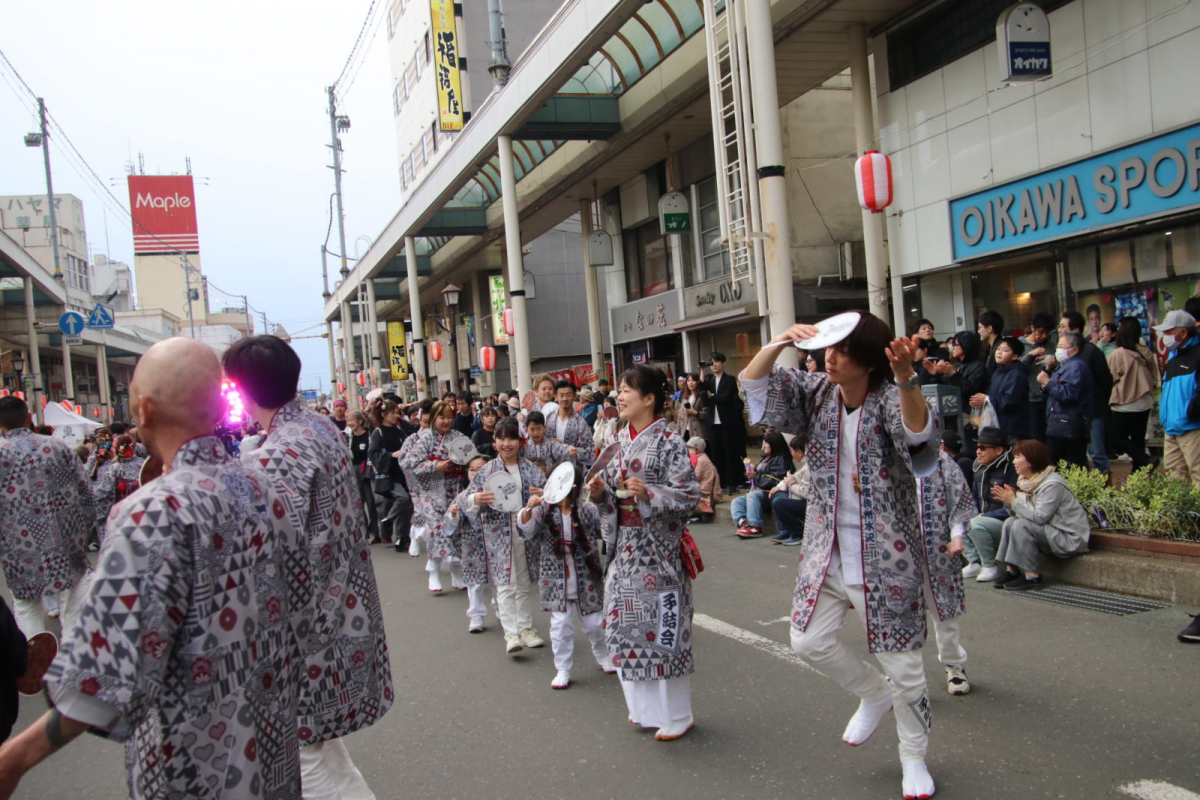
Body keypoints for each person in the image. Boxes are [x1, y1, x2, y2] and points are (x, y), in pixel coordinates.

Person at [1, 338, 312, 799]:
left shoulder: (151, 513)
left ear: (143, 409)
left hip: (193, 763)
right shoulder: (269, 490)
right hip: (273, 750)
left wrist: (16, 757)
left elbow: (103, 672)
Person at [740, 311, 942, 800]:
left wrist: (908, 380)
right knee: (807, 640)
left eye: (842, 350)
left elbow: (923, 447)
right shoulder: (817, 394)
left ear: (870, 362)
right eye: (828, 348)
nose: (828, 357)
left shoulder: (893, 398)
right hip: (825, 547)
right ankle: (873, 694)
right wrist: (779, 341)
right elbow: (754, 387)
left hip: (886, 553)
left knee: (906, 668)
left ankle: (913, 758)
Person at [223, 335, 392, 798]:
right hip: (341, 604)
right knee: (318, 744)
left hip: (305, 623)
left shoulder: (284, 449)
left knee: (302, 748)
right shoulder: (319, 429)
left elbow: (263, 541)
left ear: (240, 388)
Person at [586, 365, 699, 741]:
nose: (619, 396)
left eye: (627, 391)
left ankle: (679, 714)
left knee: (666, 632)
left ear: (649, 398)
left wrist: (649, 493)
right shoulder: (618, 441)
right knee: (623, 626)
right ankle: (645, 710)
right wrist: (601, 494)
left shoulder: (669, 441)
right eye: (618, 390)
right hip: (626, 549)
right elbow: (608, 503)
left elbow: (690, 495)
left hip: (658, 551)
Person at [0, 396, 94, 642]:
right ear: (29, 417)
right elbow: (86, 491)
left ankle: (35, 662)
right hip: (66, 537)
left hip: (17, 544)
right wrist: (84, 529)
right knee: (73, 602)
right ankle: (72, 659)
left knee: (27, 607)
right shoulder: (58, 447)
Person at [518, 464, 611, 690]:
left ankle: (604, 656)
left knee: (594, 624)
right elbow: (526, 531)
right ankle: (563, 669)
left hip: (586, 577)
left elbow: (607, 529)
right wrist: (528, 509)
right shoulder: (543, 510)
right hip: (555, 578)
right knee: (560, 627)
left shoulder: (587, 509)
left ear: (574, 486)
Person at [463, 417, 547, 654]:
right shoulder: (487, 470)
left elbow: (548, 495)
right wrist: (475, 499)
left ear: (520, 441)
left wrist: (540, 497)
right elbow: (465, 498)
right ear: (494, 441)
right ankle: (511, 633)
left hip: (524, 529)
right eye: (501, 438)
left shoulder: (531, 469)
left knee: (523, 582)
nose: (506, 443)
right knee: (505, 583)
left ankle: (527, 629)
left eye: (511, 438)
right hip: (497, 533)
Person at [916, 448, 979, 696]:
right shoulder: (881, 457)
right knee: (900, 614)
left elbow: (959, 503)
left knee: (945, 613)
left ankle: (954, 666)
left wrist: (957, 536)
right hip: (895, 555)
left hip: (939, 550)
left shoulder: (941, 462)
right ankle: (904, 674)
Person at [991, 439, 1090, 591]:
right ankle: (1012, 570)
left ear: (1030, 461)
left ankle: (1033, 577)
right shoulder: (1028, 481)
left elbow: (1040, 517)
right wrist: (1010, 500)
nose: (1014, 461)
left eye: (1018, 457)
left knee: (1020, 525)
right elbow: (1027, 513)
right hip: (1051, 530)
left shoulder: (1052, 484)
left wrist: (1014, 501)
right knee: (1010, 522)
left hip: (1068, 536)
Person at [399, 400, 470, 593]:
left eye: (449, 417)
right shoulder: (424, 439)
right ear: (433, 418)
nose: (446, 421)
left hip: (454, 490)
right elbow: (412, 463)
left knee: (455, 530)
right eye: (441, 417)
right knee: (438, 529)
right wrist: (434, 466)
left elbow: (471, 457)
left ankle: (456, 574)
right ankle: (434, 573)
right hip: (431, 492)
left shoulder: (458, 437)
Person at [1056, 311, 1113, 475]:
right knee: (1077, 454)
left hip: (1092, 411)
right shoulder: (1062, 353)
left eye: (1063, 326)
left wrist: (1097, 402)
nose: (1059, 330)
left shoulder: (1091, 352)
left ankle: (1106, 487)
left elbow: (1105, 381)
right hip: (1071, 414)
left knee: (1096, 452)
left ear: (1075, 329)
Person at [443, 455, 494, 633]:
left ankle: (504, 611)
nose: (476, 473)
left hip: (496, 545)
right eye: (472, 469)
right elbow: (449, 526)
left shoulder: (497, 493)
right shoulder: (463, 496)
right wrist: (454, 515)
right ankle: (476, 615)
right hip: (472, 545)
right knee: (475, 583)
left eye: (481, 469)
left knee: (500, 582)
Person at [962, 427, 1019, 583]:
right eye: (977, 447)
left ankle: (990, 566)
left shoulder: (1011, 468)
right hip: (983, 518)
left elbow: (1012, 507)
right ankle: (974, 561)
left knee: (974, 523)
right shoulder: (978, 466)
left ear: (999, 450)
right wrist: (971, 512)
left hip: (1005, 523)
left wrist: (985, 516)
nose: (978, 452)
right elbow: (974, 496)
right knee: (959, 517)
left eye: (983, 448)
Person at [1154, 309, 1200, 489]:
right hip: (1172, 428)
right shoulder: (1174, 357)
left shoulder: (1197, 354)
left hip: (1192, 427)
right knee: (1175, 476)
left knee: (1197, 473)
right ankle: (1182, 516)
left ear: (1183, 332)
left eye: (1169, 331)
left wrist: (1189, 412)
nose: (1164, 336)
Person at [1108, 317, 1159, 472]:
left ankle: (1146, 460)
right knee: (1138, 439)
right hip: (1144, 401)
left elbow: (1111, 377)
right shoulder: (1145, 351)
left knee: (1116, 438)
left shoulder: (1118, 354)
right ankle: (1139, 474)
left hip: (1125, 402)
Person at [1039, 331, 1093, 469]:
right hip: (1059, 423)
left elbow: (1069, 394)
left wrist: (1048, 382)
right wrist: (1047, 383)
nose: (1058, 349)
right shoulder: (1064, 365)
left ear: (1074, 349)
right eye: (1058, 346)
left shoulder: (1076, 366)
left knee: (1070, 464)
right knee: (1066, 464)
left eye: (1062, 346)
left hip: (1068, 423)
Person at [370, 399, 416, 553]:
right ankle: (388, 519)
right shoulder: (378, 432)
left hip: (402, 472)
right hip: (387, 475)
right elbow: (373, 454)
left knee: (407, 506)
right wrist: (391, 455)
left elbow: (409, 445)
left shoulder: (399, 431)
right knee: (403, 498)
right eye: (392, 413)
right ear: (383, 414)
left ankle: (403, 538)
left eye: (397, 412)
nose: (395, 415)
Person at [731, 430, 792, 539]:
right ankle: (743, 522)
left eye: (767, 443)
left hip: (770, 492)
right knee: (737, 501)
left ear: (774, 445)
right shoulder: (765, 458)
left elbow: (774, 480)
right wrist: (749, 472)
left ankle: (755, 526)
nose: (765, 446)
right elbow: (757, 474)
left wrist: (755, 476)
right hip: (759, 491)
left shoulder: (781, 459)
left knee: (753, 495)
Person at [936, 330, 988, 451]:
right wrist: (936, 373)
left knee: (969, 448)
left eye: (955, 344)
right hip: (953, 414)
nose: (952, 347)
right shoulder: (957, 365)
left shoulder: (978, 366)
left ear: (966, 346)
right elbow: (945, 387)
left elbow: (970, 391)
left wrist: (953, 374)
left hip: (971, 417)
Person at [701, 352, 745, 495]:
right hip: (713, 424)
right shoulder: (709, 380)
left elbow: (725, 398)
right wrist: (702, 370)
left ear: (723, 363)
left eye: (717, 362)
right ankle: (721, 483)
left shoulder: (730, 379)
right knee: (716, 455)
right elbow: (703, 394)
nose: (714, 365)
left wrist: (713, 395)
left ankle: (732, 483)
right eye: (712, 362)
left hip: (727, 424)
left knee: (729, 454)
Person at [90, 434, 146, 545]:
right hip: (143, 512)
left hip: (122, 515)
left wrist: (99, 516)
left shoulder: (114, 469)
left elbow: (103, 494)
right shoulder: (144, 465)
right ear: (134, 447)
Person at [346, 409, 381, 543]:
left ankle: (376, 532)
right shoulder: (348, 437)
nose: (350, 423)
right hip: (353, 471)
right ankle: (363, 532)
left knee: (371, 503)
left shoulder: (369, 436)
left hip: (367, 471)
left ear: (360, 421)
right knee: (358, 504)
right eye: (348, 421)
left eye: (352, 421)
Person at [1019, 313, 1055, 442]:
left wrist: (1053, 365)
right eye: (1041, 332)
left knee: (1050, 435)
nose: (1044, 336)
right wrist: (1031, 355)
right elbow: (1016, 368)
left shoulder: (1051, 345)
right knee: (1035, 435)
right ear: (1032, 328)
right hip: (1029, 398)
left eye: (1047, 333)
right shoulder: (1020, 345)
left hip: (1049, 396)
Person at [544, 380, 595, 471]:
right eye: (561, 395)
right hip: (551, 469)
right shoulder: (548, 419)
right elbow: (540, 441)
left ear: (574, 396)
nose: (565, 399)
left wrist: (577, 452)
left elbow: (590, 450)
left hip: (573, 470)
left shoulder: (581, 423)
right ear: (556, 397)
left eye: (568, 395)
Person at [985, 336, 1029, 440]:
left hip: (1012, 427)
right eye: (999, 349)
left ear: (1014, 356)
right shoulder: (997, 372)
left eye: (1005, 350)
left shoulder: (1017, 374)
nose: (999, 352)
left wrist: (987, 400)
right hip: (998, 425)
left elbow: (1009, 401)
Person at [768, 437, 808, 546]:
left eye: (792, 451)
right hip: (801, 498)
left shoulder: (809, 467)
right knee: (776, 495)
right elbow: (793, 478)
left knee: (779, 503)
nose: (791, 453)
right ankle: (785, 530)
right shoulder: (805, 465)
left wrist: (791, 485)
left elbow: (806, 493)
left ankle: (797, 534)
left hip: (811, 505)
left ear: (799, 452)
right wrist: (781, 486)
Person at [687, 437, 721, 523]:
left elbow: (695, 477)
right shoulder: (698, 457)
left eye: (690, 448)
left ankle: (695, 514)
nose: (688, 450)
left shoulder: (701, 460)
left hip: (704, 494)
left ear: (696, 449)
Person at [673, 373, 706, 441]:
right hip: (684, 430)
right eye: (689, 380)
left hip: (697, 431)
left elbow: (707, 414)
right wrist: (677, 433)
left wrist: (694, 412)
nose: (691, 383)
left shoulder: (701, 397)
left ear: (697, 382)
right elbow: (680, 417)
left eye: (693, 380)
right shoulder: (685, 397)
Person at [977, 309, 1005, 377]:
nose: (978, 331)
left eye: (980, 327)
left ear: (989, 328)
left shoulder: (1000, 348)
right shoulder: (992, 347)